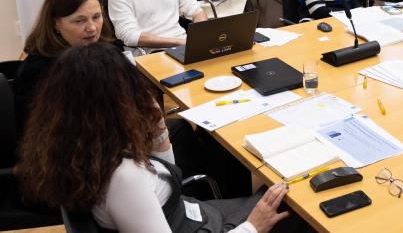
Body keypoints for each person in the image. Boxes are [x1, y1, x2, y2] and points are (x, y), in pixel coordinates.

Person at [15, 43, 299, 232]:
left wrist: (159, 133)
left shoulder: (81, 147)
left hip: (189, 214)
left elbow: (163, 180)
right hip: (198, 226)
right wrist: (252, 227)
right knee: (298, 201)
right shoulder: (123, 178)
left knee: (283, 192)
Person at [14, 0, 111, 135]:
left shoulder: (101, 51)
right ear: (55, 24)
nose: (92, 28)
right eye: (79, 21)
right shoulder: (41, 71)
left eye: (96, 17)